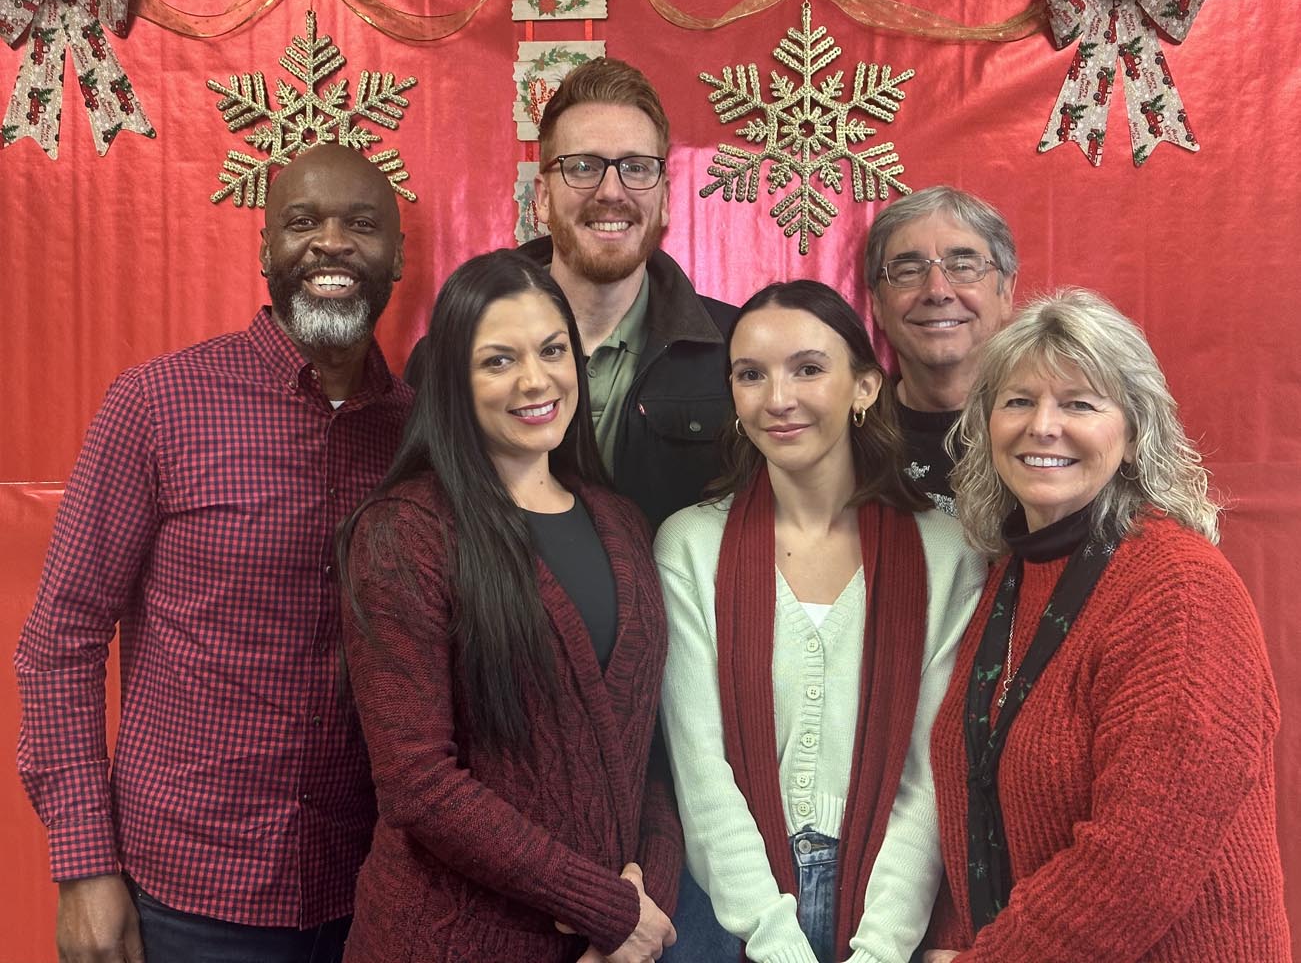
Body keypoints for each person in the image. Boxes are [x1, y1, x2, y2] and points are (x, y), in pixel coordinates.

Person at [15, 144, 412, 963]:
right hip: (189, 895)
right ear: (265, 250)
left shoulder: (423, 434)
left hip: (370, 894)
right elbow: (61, 640)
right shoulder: (158, 405)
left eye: (361, 224)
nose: (331, 243)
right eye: (302, 222)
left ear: (397, 259)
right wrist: (84, 868)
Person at [924, 289, 1290, 962]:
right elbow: (974, 790)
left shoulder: (1179, 592)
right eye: (1018, 401)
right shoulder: (1012, 574)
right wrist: (952, 941)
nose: (1042, 426)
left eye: (1079, 404)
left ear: (1133, 434)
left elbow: (1137, 867)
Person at [339, 250, 681, 963]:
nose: (535, 380)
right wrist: (608, 910)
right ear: (454, 382)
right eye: (498, 360)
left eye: (552, 350)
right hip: (445, 943)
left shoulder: (621, 522)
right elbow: (416, 782)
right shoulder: (405, 532)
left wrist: (646, 904)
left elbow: (645, 748)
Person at [656, 281, 987, 963]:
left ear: (864, 387)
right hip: (728, 913)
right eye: (751, 375)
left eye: (807, 368)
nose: (777, 398)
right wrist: (773, 939)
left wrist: (882, 949)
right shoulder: (689, 545)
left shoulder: (947, 550)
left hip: (893, 907)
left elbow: (929, 779)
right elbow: (701, 773)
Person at [406, 57, 736, 530]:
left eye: (636, 168)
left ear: (664, 199)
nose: (611, 191)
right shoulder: (449, 352)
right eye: (583, 167)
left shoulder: (734, 353)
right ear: (541, 197)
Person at [864, 187, 1018, 512]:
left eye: (962, 267)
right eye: (909, 271)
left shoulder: (1048, 430)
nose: (937, 291)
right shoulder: (844, 441)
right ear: (877, 304)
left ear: (1006, 292)